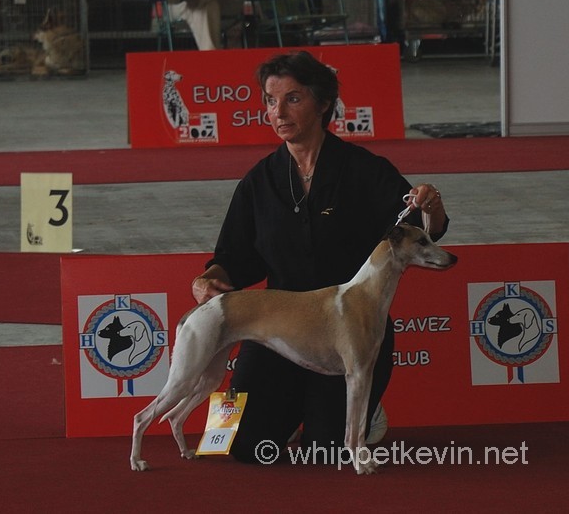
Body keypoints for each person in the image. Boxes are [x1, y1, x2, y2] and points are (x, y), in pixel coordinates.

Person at [191, 50, 449, 463]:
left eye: (293, 99)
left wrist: (431, 206)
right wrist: (208, 278)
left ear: (323, 103)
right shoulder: (258, 181)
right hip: (274, 330)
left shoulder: (365, 169)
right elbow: (232, 258)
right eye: (270, 101)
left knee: (327, 451)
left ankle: (362, 413)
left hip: (347, 331)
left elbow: (419, 230)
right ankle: (289, 410)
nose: (279, 112)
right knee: (232, 445)